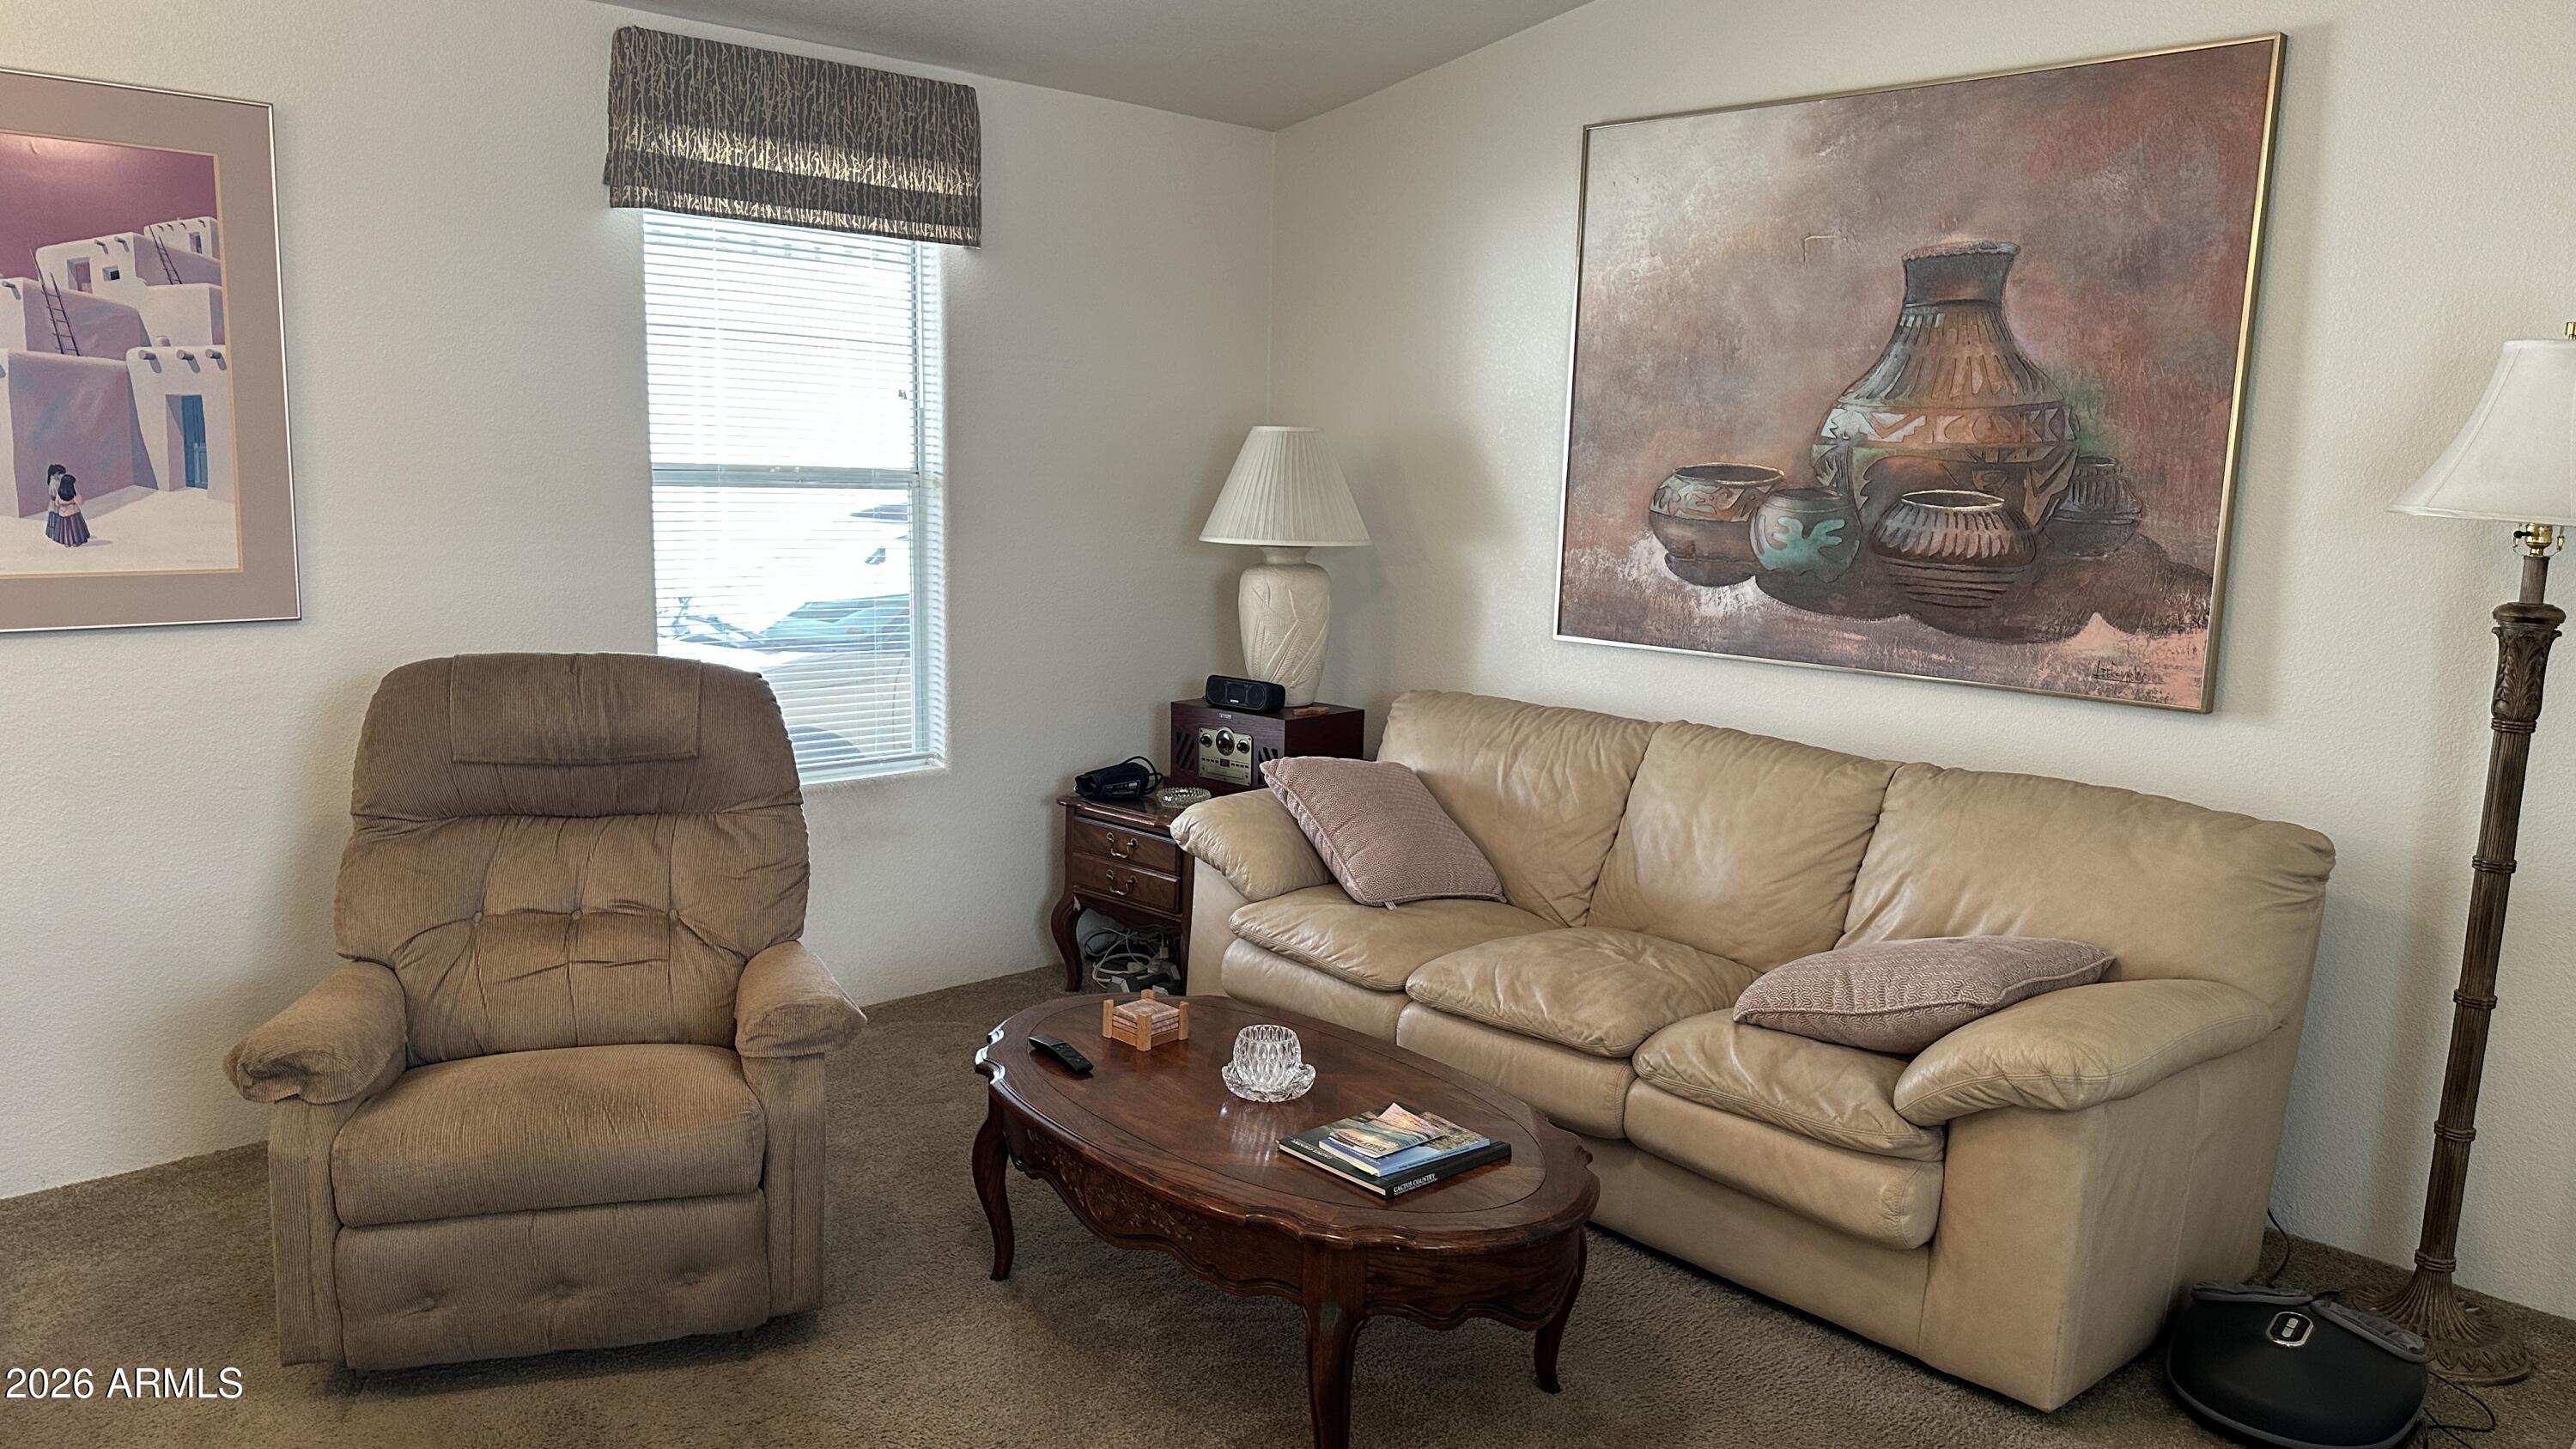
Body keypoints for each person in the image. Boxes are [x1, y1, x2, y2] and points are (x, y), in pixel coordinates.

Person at [44, 465, 90, 547]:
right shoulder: (72, 492)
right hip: (73, 513)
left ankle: (67, 542)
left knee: (65, 529)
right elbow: (80, 501)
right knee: (74, 528)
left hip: (63, 513)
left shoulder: (60, 492)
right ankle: (75, 542)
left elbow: (57, 503)